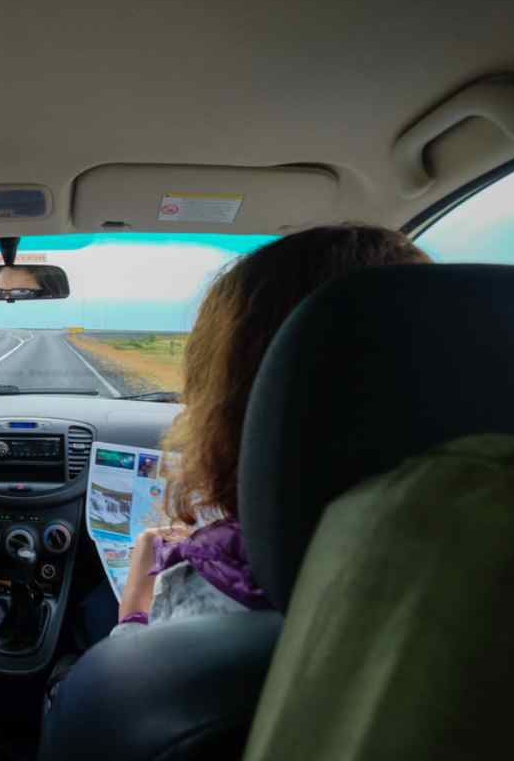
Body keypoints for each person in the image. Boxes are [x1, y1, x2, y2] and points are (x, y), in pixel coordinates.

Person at [48, 225, 430, 708]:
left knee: (87, 626)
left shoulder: (204, 593)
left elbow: (124, 702)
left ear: (238, 402)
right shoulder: (500, 555)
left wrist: (135, 610)